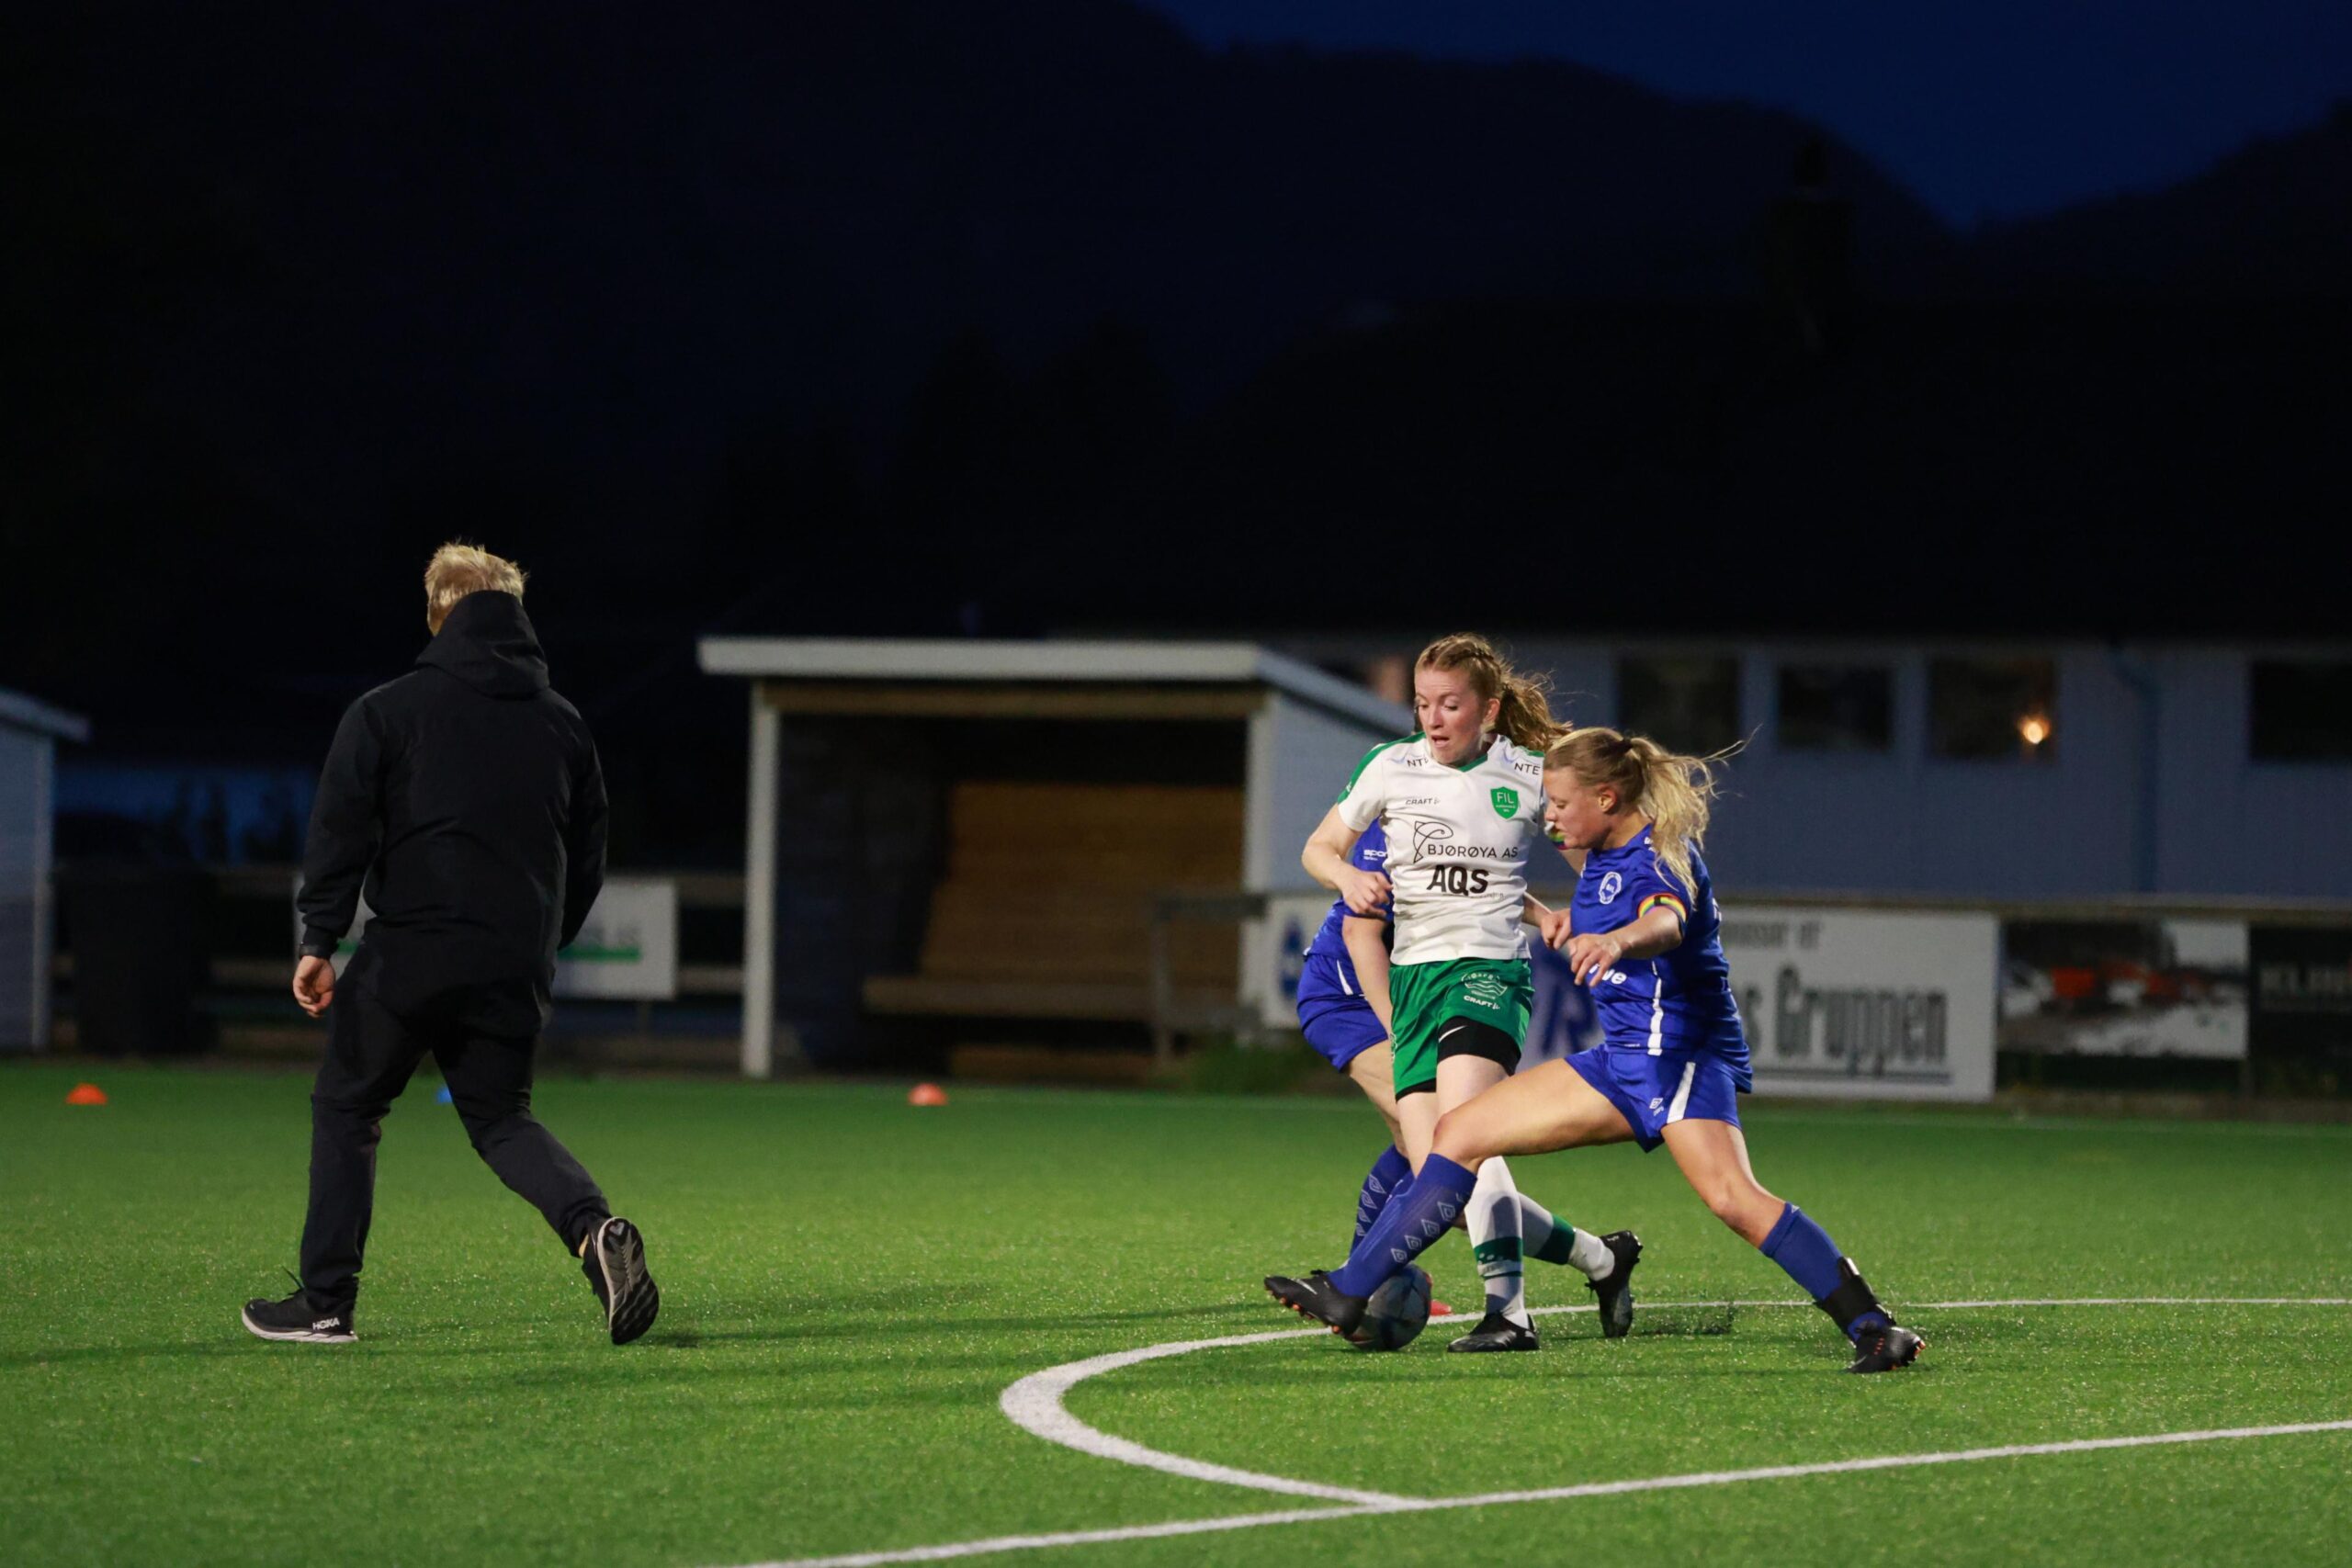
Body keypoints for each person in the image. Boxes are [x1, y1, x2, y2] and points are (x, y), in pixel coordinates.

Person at [1273, 728, 1924, 1373]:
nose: (1548, 815)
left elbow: (1665, 918)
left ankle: (1874, 1328)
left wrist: (1617, 943)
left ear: (1608, 798)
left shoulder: (1656, 856)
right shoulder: (1598, 845)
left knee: (1734, 1198)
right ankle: (1350, 1289)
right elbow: (1511, 846)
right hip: (1620, 1060)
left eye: (1559, 803)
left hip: (1678, 1057)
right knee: (1460, 1130)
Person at [240, 543, 659, 1347]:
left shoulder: (389, 711)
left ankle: (326, 1302)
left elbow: (340, 831)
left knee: (349, 1106)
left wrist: (319, 936)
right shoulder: (564, 723)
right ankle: (593, 1231)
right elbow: (590, 857)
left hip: (413, 954)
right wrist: (538, 941)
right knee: (503, 1118)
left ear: (438, 614)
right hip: (514, 960)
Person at [1272, 634, 1638, 1350]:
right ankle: (1600, 1257)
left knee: (1465, 1141)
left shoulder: (1526, 774)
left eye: (1449, 704)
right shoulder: (1392, 775)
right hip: (1385, 990)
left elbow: (1539, 856)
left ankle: (1503, 1311)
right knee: (1442, 1164)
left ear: (1488, 709)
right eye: (1421, 704)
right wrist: (1346, 878)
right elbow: (1340, 879)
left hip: (1484, 974)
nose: (1432, 719)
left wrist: (1583, 914)